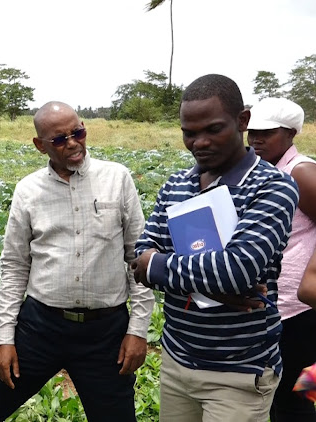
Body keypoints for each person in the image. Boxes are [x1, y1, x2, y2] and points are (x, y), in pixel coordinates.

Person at [0, 101, 154, 422]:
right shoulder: (29, 191)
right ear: (40, 145)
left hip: (105, 333)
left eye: (78, 132)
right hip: (40, 327)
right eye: (59, 139)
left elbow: (138, 259)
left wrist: (138, 330)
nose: (72, 142)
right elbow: (15, 268)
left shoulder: (117, 179)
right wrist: (5, 339)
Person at [133, 74, 300, 422]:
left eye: (213, 129)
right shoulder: (177, 184)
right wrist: (218, 286)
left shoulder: (273, 186)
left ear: (243, 121)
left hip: (239, 373)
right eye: (189, 133)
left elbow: (236, 268)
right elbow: (139, 258)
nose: (199, 143)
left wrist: (162, 266)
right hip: (177, 360)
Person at [247, 97, 316, 422]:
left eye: (266, 133)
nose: (256, 140)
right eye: (252, 133)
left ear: (290, 133)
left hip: (299, 309)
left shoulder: (300, 172)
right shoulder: (266, 173)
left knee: (294, 397)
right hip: (273, 306)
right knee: (273, 391)